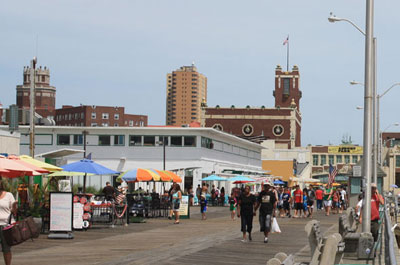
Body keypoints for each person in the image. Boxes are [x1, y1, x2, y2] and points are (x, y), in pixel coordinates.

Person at [0, 182, 17, 265]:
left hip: (6, 225)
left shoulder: (8, 195)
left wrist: (14, 206)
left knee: (6, 248)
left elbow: (14, 212)